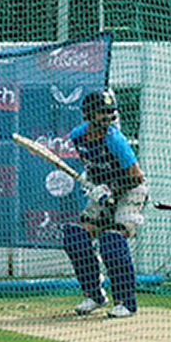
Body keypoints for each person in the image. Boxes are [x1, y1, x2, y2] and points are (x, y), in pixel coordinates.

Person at [62, 88, 148, 318]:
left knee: (112, 238)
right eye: (102, 112)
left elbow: (136, 177)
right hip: (103, 189)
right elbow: (94, 166)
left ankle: (126, 302)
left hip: (130, 191)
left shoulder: (114, 139)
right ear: (88, 114)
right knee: (76, 236)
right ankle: (94, 294)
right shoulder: (77, 135)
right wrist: (91, 182)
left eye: (110, 112)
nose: (108, 117)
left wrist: (111, 189)